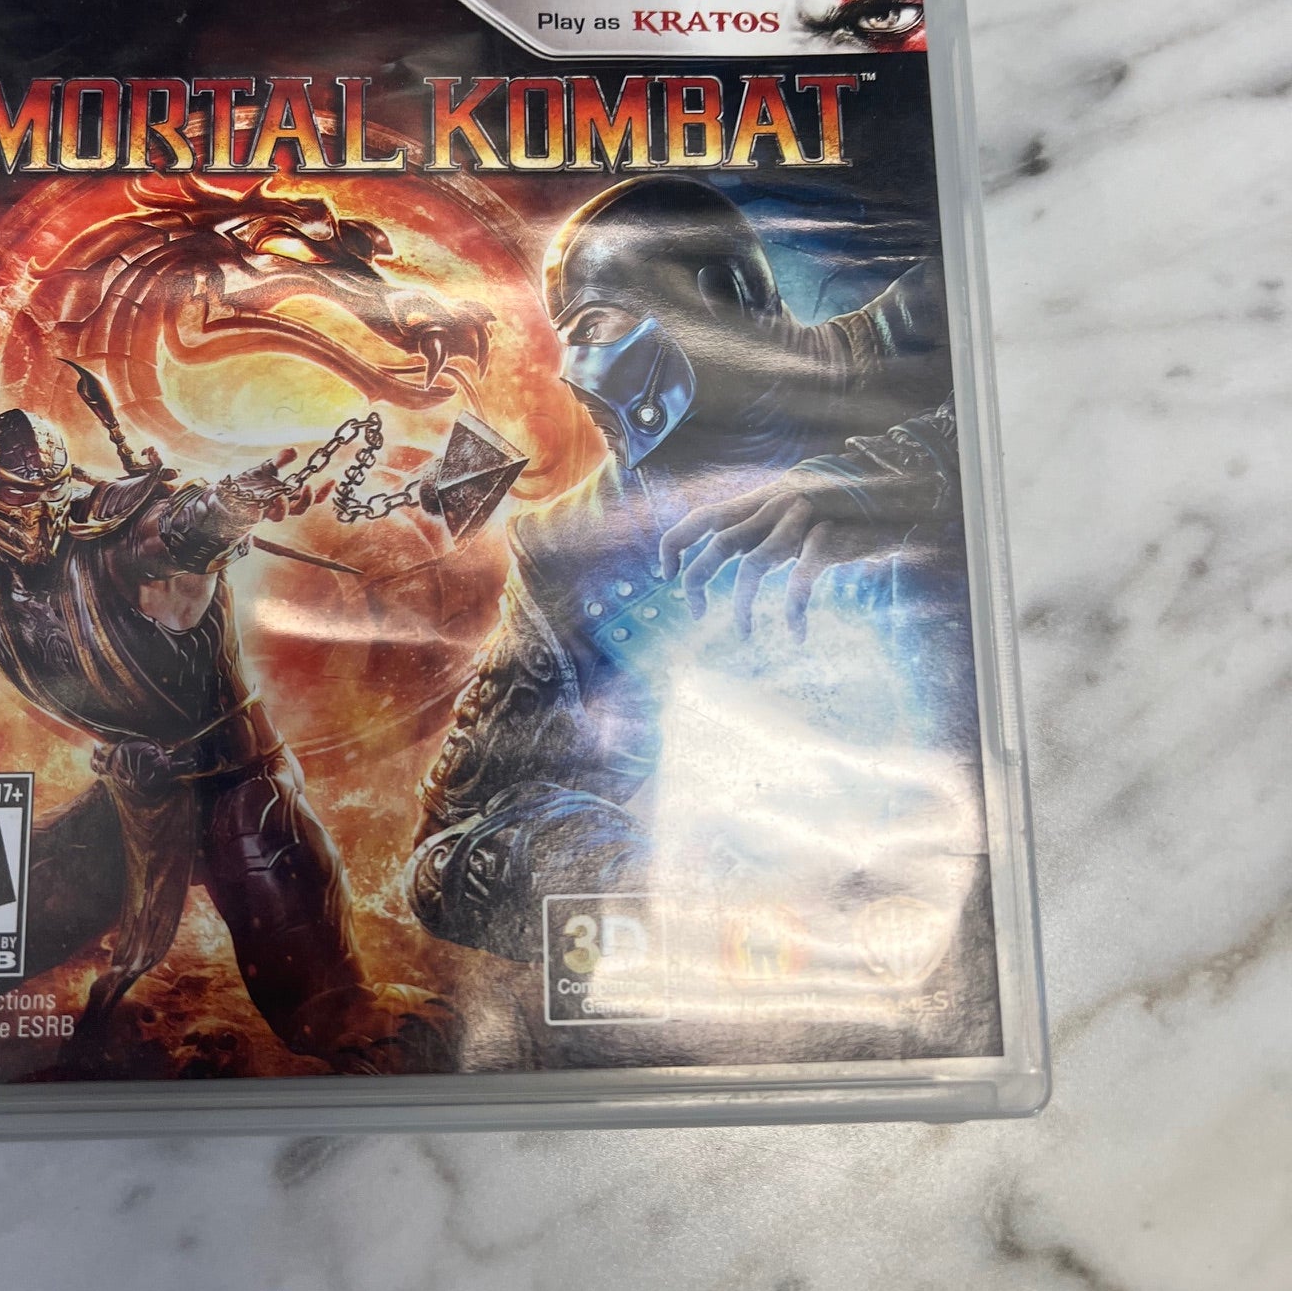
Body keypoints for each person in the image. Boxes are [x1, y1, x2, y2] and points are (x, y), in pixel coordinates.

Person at [407, 174, 964, 962]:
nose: (575, 371)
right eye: (569, 337)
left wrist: (903, 473)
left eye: (596, 324)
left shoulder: (931, 327)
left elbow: (1068, 368)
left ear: (726, 294)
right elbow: (450, 850)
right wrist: (669, 886)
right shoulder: (575, 547)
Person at [0, 381, 451, 1072]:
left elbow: (178, 532)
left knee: (334, 1016)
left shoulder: (115, 545)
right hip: (134, 802)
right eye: (20, 493)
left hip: (240, 791)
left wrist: (231, 505)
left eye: (50, 490)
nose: (39, 510)